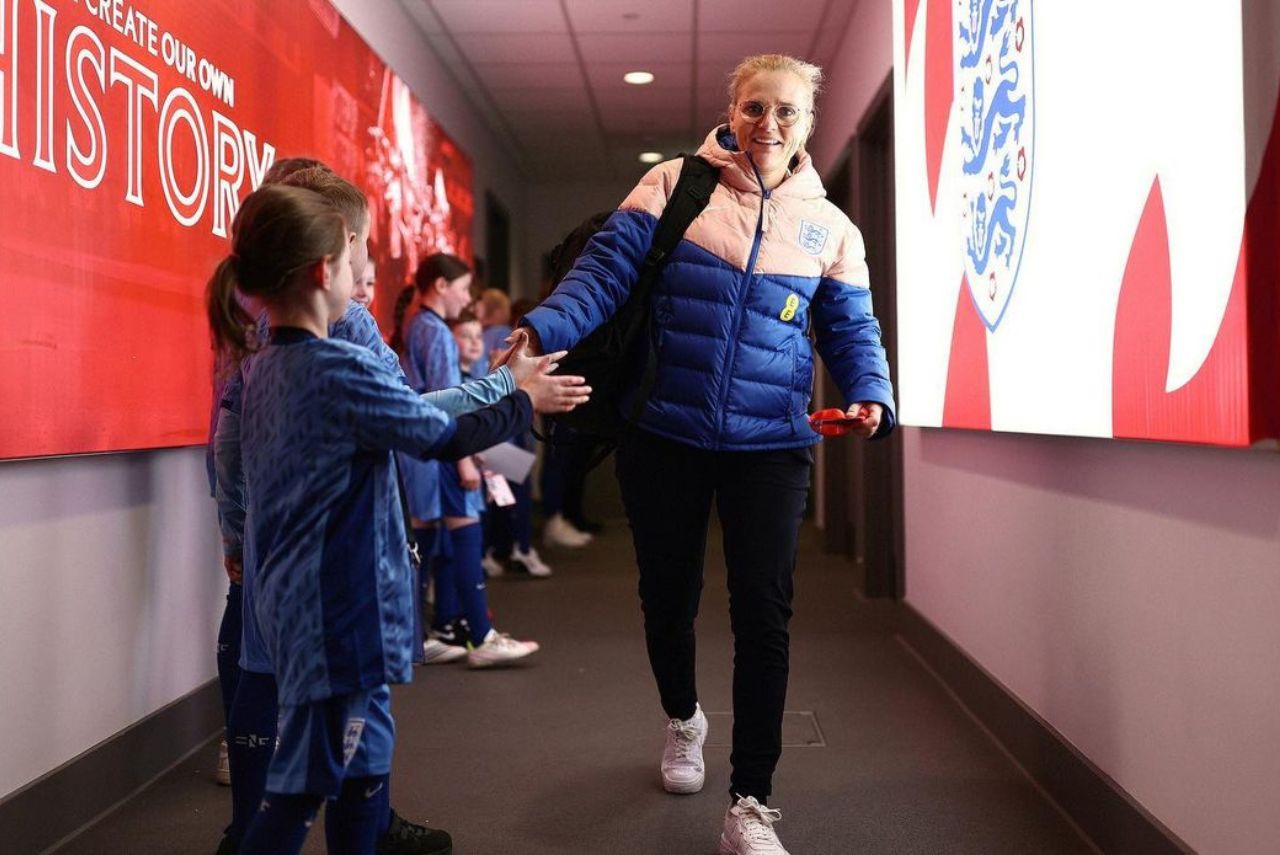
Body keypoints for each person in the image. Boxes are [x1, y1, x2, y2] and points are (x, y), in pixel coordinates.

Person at [507, 53, 896, 855]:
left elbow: (852, 327)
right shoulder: (673, 185)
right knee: (667, 597)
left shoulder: (831, 227)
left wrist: (871, 393)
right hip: (665, 431)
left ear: (807, 124)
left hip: (771, 443)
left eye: (786, 111)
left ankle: (750, 799)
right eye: (755, 107)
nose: (768, 124)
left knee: (765, 613)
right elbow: (601, 275)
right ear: (731, 110)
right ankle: (684, 716)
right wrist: (542, 330)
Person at [207, 183, 587, 855]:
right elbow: (436, 434)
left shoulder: (265, 365)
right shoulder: (331, 368)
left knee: (363, 767)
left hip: (311, 602)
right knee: (303, 788)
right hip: (335, 611)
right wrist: (522, 398)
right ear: (323, 272)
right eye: (354, 260)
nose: (363, 278)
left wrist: (508, 387)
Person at [399, 253, 540, 667]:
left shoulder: (418, 326)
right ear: (441, 286)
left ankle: (428, 634)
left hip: (424, 450)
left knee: (428, 540)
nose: (467, 298)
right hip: (441, 449)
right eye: (462, 289)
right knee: (462, 531)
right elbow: (451, 402)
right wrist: (463, 457)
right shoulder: (434, 331)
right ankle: (479, 635)